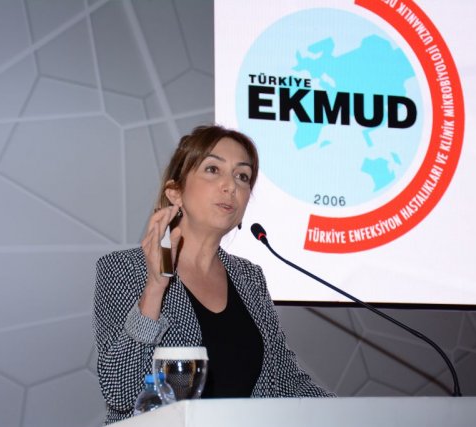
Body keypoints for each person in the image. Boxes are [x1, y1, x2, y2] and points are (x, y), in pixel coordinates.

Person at [93, 124, 334, 424]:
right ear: (175, 193)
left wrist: (360, 414)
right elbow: (120, 393)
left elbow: (286, 383)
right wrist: (155, 287)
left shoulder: (250, 278)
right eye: (212, 169)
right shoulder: (124, 269)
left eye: (242, 176)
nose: (230, 186)